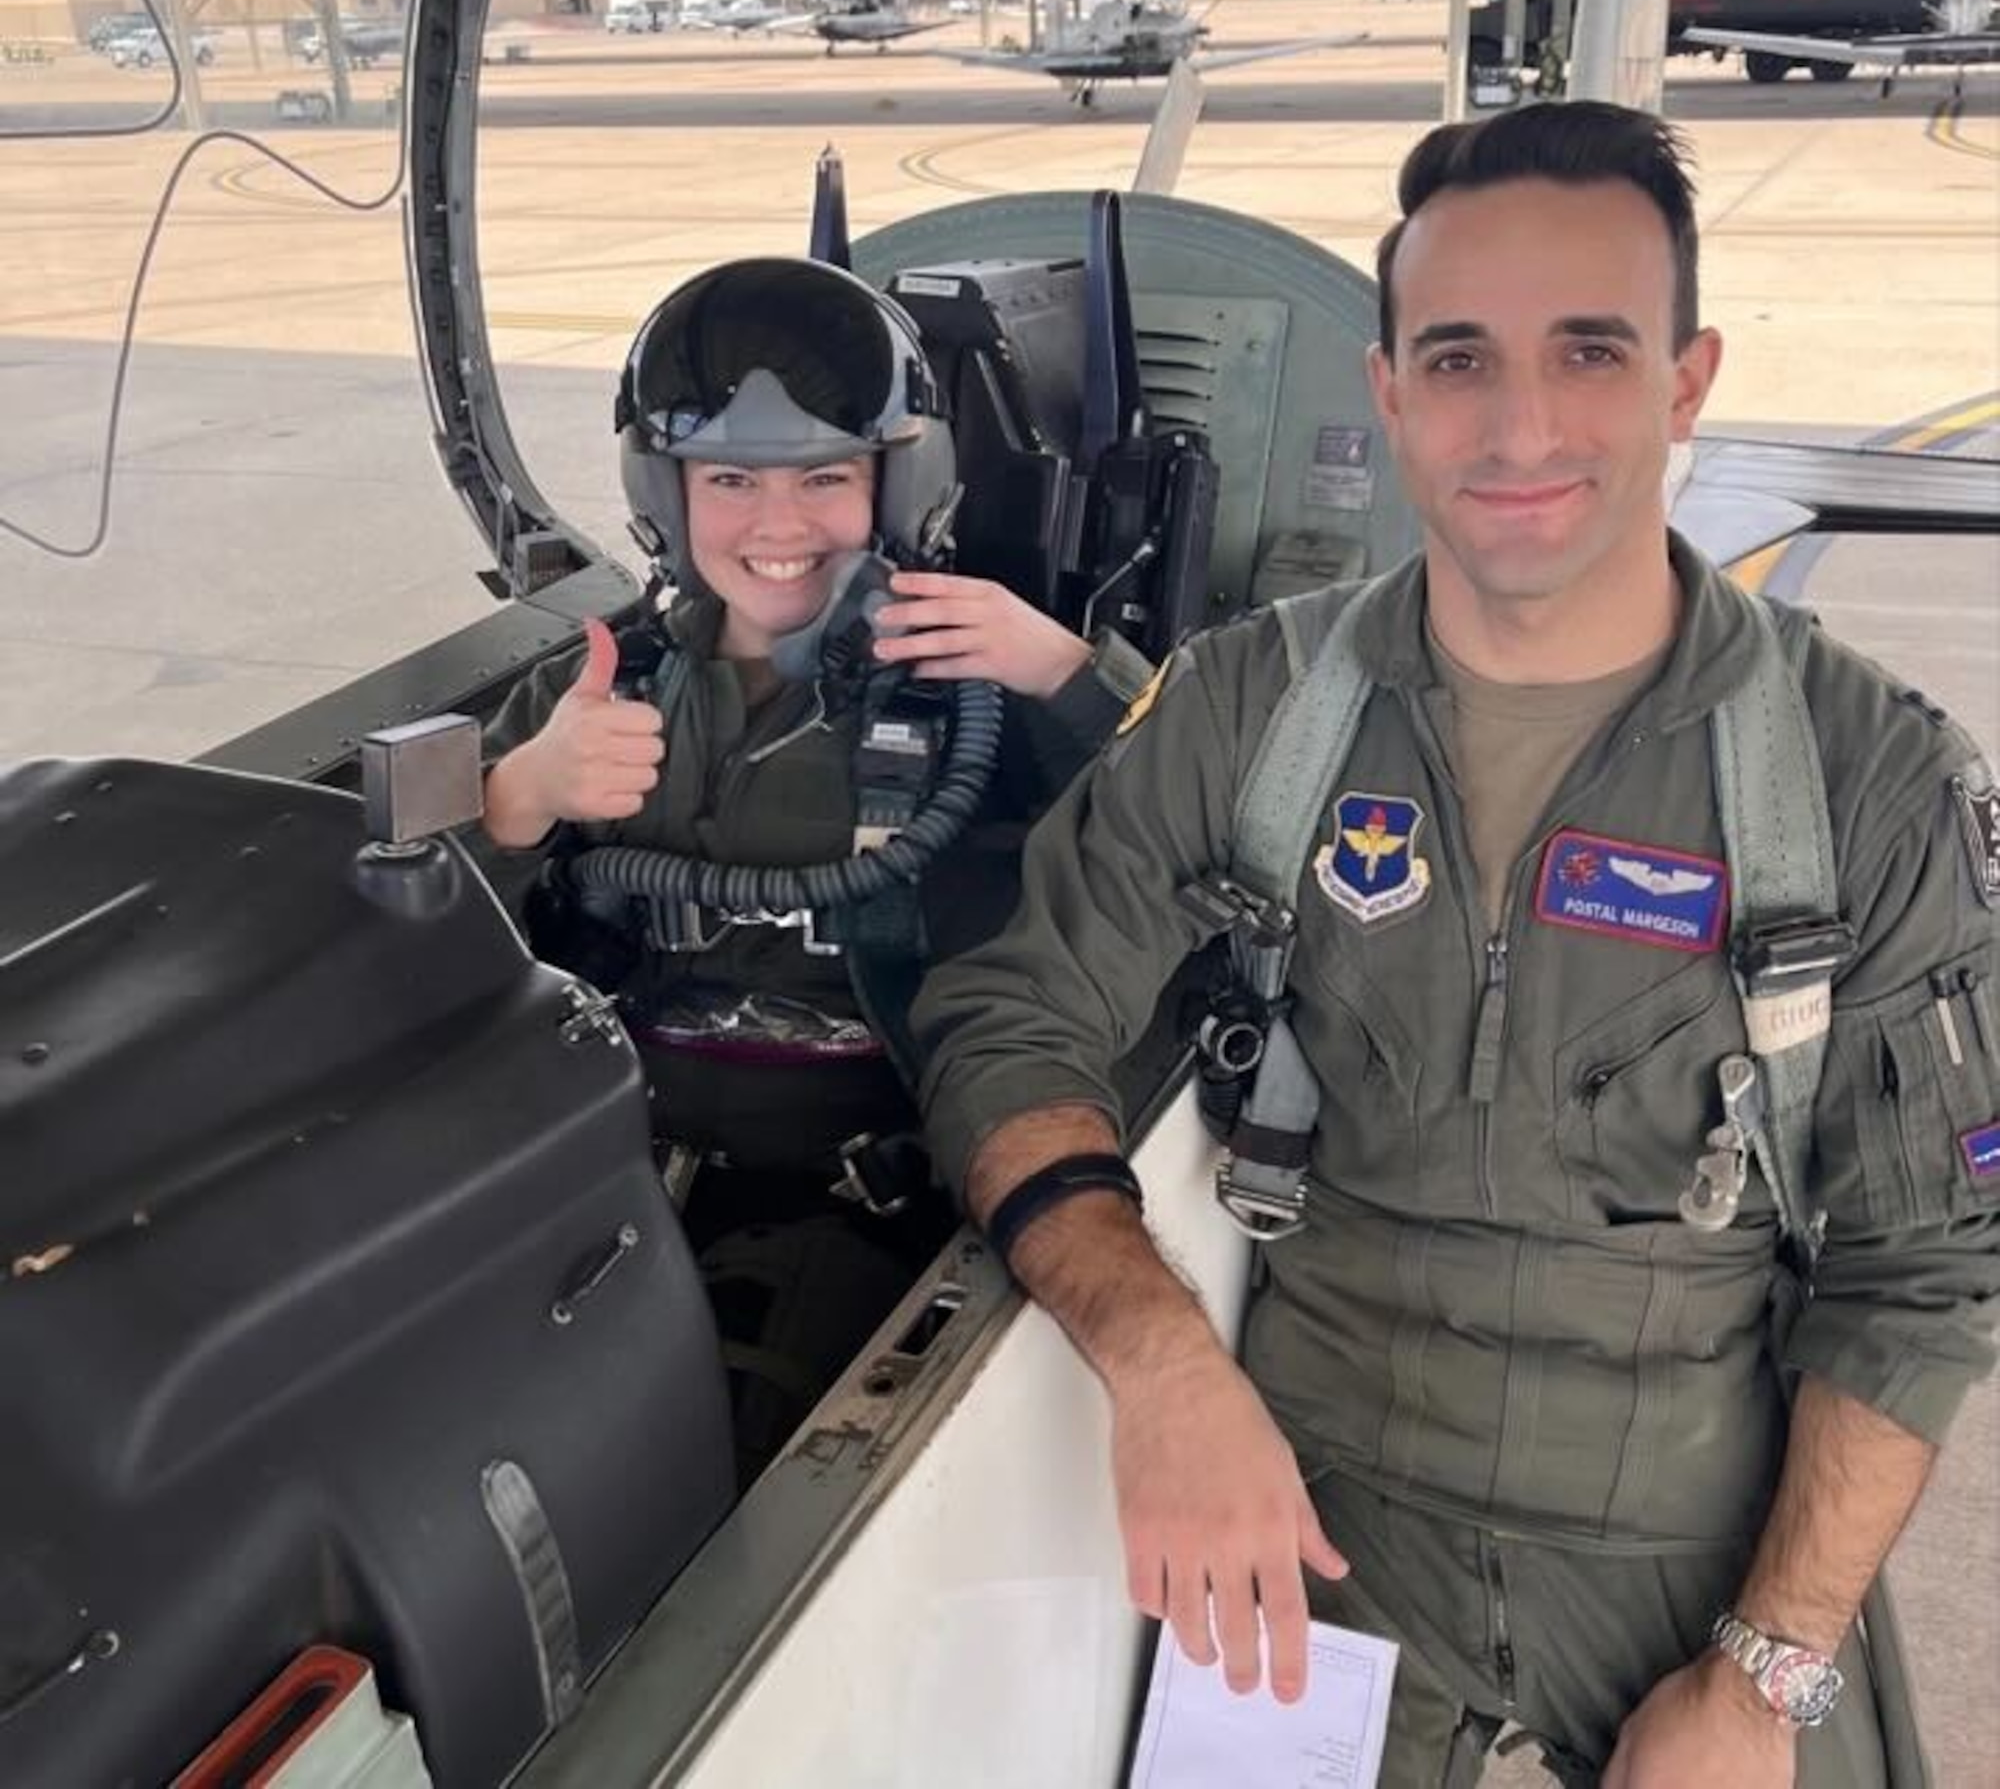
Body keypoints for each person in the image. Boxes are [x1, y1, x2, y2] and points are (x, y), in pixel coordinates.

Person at [913, 102, 1999, 1786]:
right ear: (1391, 389)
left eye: (1590, 352)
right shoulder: (1250, 709)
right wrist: (1156, 1355)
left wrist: (1769, 1670)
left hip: (1697, 1548)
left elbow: (1923, 1268)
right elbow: (1008, 1021)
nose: (1521, 426)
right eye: (1461, 358)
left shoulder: (1865, 773)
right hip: (1319, 1512)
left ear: (1687, 383)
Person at [479, 255, 1152, 1463]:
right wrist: (518, 799)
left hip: (860, 1189)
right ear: (664, 490)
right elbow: (415, 930)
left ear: (895, 488)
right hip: (601, 1165)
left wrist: (1066, 674)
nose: (777, 524)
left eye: (824, 478)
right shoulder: (587, 688)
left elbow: (1186, 831)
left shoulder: (976, 694)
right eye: (729, 478)